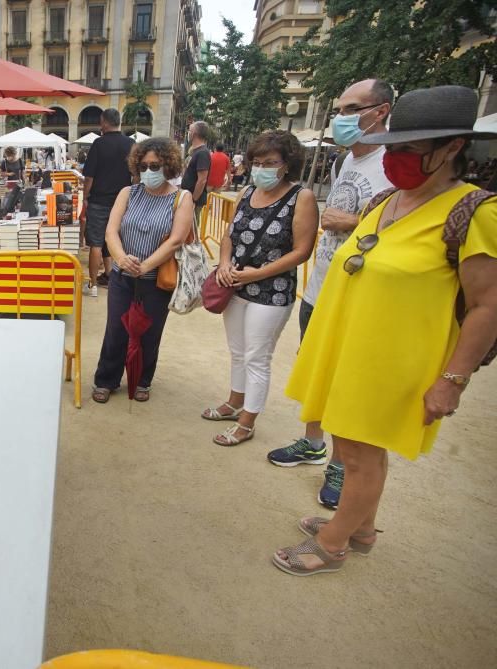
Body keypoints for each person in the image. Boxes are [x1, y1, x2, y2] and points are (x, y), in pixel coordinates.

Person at [273, 85, 497, 576]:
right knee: (355, 447)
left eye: (409, 150)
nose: (395, 158)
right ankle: (363, 528)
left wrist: (452, 381)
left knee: (358, 453)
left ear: (453, 147)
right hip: (351, 349)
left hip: (395, 359)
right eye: (392, 147)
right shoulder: (387, 199)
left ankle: (334, 543)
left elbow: (486, 305)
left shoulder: (476, 211)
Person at [266, 79, 393, 510]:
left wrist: (355, 222)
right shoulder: (343, 162)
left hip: (358, 296)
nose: (342, 117)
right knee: (317, 372)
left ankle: (340, 465)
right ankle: (313, 443)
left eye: (353, 108)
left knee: (343, 382)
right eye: (340, 108)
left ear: (382, 111)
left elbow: (401, 231)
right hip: (321, 287)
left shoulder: (394, 165)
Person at [202, 130, 318, 446]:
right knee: (238, 351)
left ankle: (247, 421)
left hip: (272, 293)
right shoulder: (247, 192)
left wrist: (257, 275)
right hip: (235, 286)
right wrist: (224, 264)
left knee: (257, 356)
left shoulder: (301, 197)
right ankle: (234, 402)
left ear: (287, 164)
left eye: (270, 162)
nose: (261, 167)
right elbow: (229, 234)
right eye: (257, 161)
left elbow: (302, 251)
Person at [91, 137, 194, 404]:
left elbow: (176, 239)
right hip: (122, 277)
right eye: (145, 165)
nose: (150, 171)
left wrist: (146, 266)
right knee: (116, 329)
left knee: (150, 332)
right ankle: (106, 379)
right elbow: (111, 230)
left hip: (156, 280)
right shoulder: (128, 193)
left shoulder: (182, 198)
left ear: (169, 165)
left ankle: (142, 380)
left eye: (156, 165)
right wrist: (121, 258)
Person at [82, 108, 135, 297]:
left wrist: (85, 198)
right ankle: (111, 276)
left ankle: (93, 285)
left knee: (96, 243)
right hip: (122, 202)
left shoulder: (98, 144)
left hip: (98, 201)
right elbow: (135, 176)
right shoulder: (131, 144)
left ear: (104, 122)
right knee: (114, 240)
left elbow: (89, 177)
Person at [181, 121, 212, 223]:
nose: (188, 133)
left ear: (194, 133)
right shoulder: (194, 151)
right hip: (187, 197)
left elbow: (202, 180)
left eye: (189, 130)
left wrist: (193, 200)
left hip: (194, 200)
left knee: (191, 227)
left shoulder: (202, 153)